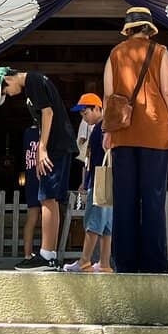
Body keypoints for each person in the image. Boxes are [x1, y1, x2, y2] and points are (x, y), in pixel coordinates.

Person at [103, 6, 168, 273]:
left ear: (128, 29)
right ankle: (154, 264)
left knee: (124, 198)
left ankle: (125, 263)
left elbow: (108, 95)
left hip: (122, 134)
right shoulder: (160, 52)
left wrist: (107, 131)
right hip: (155, 132)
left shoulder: (115, 54)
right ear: (149, 29)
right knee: (152, 199)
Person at [0, 66, 77, 271]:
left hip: (55, 146)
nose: (9, 95)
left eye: (5, 92)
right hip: (61, 144)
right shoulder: (35, 83)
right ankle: (50, 255)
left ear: (8, 80)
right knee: (51, 199)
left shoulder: (33, 81)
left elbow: (48, 112)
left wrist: (42, 148)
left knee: (47, 197)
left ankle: (46, 255)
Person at [63, 92, 113, 273]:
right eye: (82, 114)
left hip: (99, 179)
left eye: (86, 113)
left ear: (97, 108)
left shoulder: (102, 128)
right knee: (106, 226)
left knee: (93, 221)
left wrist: (88, 181)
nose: (84, 117)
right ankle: (104, 263)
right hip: (107, 180)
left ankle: (84, 261)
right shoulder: (103, 128)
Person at [18, 124, 41, 267]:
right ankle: (48, 252)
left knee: (32, 216)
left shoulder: (28, 133)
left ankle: (27, 254)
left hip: (30, 177)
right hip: (43, 176)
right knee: (48, 216)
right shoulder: (46, 131)